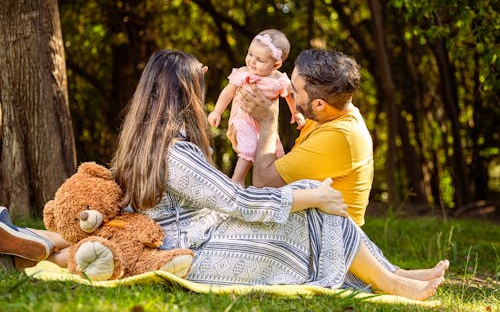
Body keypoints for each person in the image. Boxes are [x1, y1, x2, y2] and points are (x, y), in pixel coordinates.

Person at [0, 50, 446, 301]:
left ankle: (393, 274)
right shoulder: (174, 149)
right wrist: (308, 199)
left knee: (312, 207)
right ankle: (391, 282)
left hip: (193, 240)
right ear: (185, 93)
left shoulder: (141, 142)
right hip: (194, 253)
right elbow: (238, 202)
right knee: (311, 198)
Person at [239, 48, 450, 281]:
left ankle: (386, 277)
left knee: (306, 192)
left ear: (319, 104)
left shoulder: (339, 136)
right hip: (330, 233)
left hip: (331, 243)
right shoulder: (327, 116)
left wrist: (268, 120)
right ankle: (396, 273)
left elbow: (263, 182)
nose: (288, 89)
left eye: (295, 90)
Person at [207, 29, 305, 187]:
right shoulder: (243, 73)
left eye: (260, 60)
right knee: (251, 148)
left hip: (264, 126)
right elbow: (228, 92)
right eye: (250, 54)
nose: (252, 61)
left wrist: (296, 112)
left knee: (273, 153)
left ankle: (271, 190)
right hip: (243, 120)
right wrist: (217, 111)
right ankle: (237, 180)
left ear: (276, 65)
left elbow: (289, 95)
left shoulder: (279, 79)